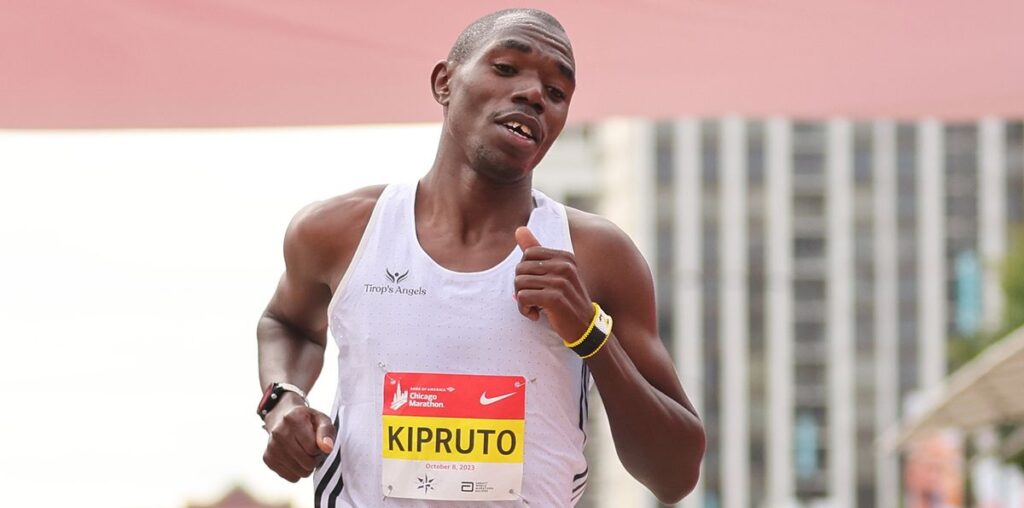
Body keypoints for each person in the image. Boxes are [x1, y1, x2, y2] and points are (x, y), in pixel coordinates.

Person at [256, 8, 705, 507]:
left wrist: (588, 330)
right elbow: (286, 322)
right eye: (507, 68)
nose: (535, 94)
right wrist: (282, 399)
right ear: (444, 82)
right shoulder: (342, 230)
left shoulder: (596, 256)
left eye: (557, 93)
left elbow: (675, 474)